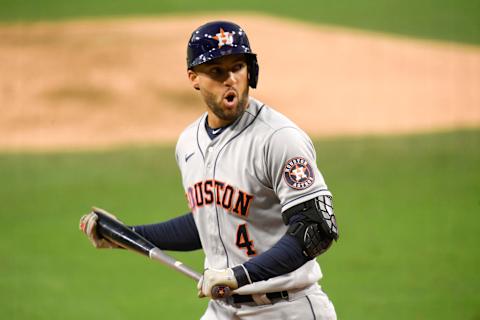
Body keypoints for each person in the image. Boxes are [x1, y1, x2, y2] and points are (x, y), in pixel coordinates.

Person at [80, 20, 339, 319]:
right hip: (221, 310)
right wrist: (128, 235)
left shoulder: (278, 138)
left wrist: (239, 275)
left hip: (287, 309)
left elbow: (316, 229)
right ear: (194, 78)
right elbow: (210, 221)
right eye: (216, 71)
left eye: (237, 67)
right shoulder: (189, 142)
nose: (230, 79)